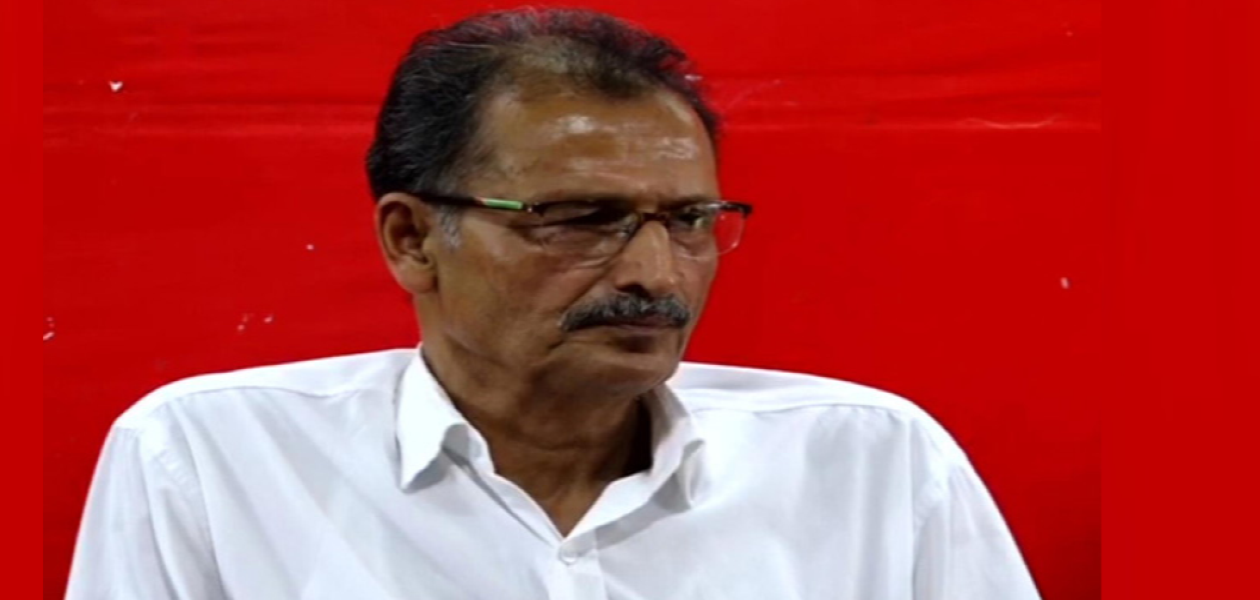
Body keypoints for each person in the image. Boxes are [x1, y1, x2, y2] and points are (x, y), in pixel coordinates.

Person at [65, 7, 1041, 599]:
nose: (656, 274)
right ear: (412, 239)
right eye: (578, 218)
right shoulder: (213, 461)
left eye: (689, 220)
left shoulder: (867, 463)